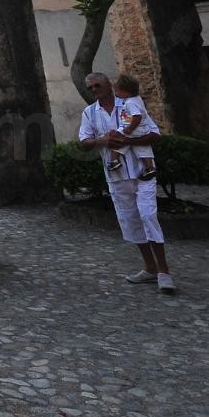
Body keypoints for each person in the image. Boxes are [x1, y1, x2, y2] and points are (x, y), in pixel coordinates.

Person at [78, 72, 176, 294]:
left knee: (148, 215)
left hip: (143, 173)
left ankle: (164, 271)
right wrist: (103, 140)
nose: (94, 90)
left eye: (97, 85)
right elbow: (84, 141)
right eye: (90, 88)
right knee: (131, 220)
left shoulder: (130, 103)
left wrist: (128, 140)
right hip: (117, 176)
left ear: (108, 85)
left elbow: (154, 134)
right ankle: (149, 267)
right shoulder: (89, 113)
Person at [111, 74, 157, 180]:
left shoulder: (130, 103)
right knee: (143, 147)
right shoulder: (137, 99)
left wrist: (130, 128)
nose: (116, 94)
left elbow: (137, 116)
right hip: (143, 129)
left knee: (117, 140)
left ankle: (114, 161)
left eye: (117, 91)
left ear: (126, 91)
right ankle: (150, 167)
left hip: (133, 128)